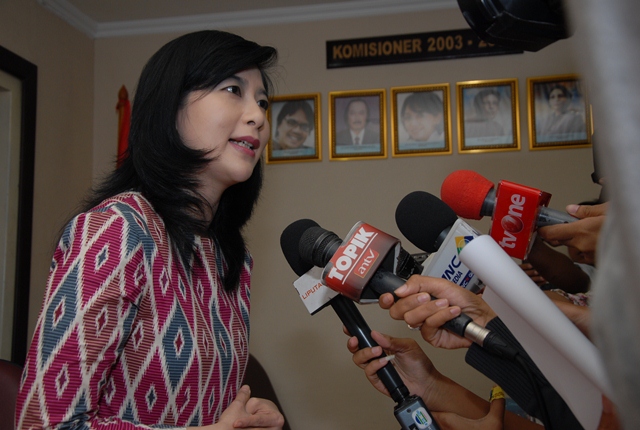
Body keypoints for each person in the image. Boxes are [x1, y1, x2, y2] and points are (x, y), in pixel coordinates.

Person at [15, 30, 284, 430]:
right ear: (169, 107)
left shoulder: (232, 255)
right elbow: (45, 423)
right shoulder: (118, 228)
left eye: (262, 102)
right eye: (233, 90)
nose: (258, 116)